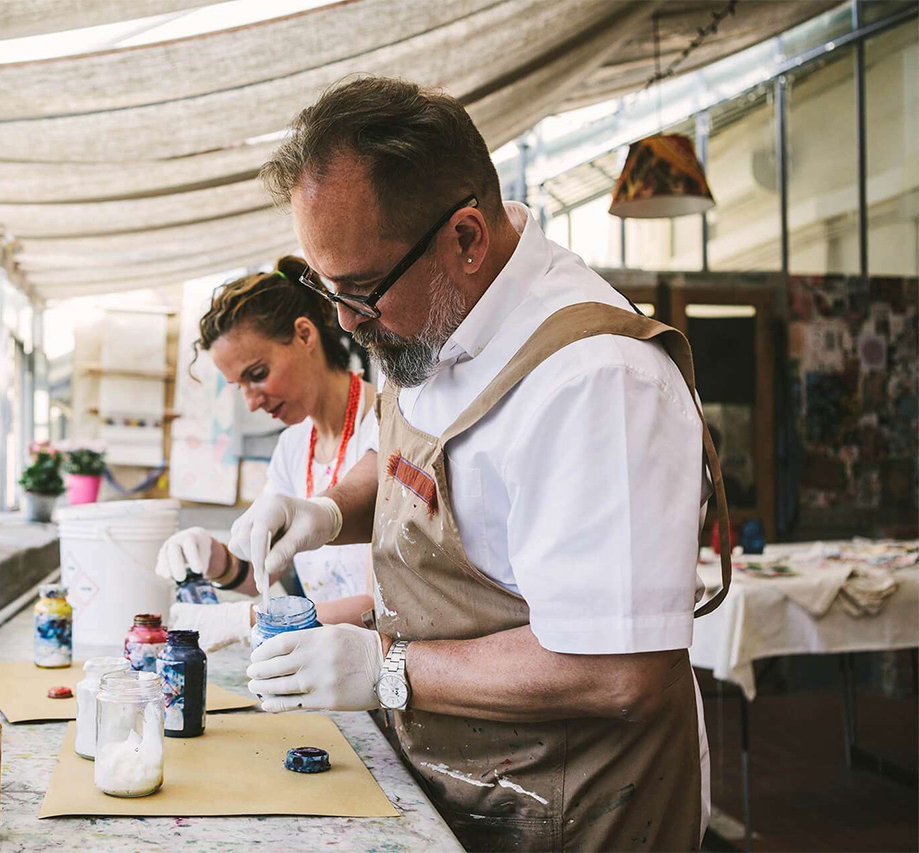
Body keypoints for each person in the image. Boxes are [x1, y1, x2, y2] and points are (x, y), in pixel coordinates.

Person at [231, 77, 731, 851]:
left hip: (577, 810)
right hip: (464, 784)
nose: (343, 323)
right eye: (324, 289)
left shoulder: (597, 381)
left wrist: (385, 667)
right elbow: (404, 451)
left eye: (359, 292)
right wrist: (325, 511)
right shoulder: (427, 313)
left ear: (465, 237)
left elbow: (619, 670)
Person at [155, 256, 378, 651]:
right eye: (239, 385)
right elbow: (266, 567)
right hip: (319, 668)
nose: (252, 402)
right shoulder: (294, 446)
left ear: (305, 335)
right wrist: (214, 559)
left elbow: (381, 607)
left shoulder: (385, 424)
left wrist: (250, 620)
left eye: (257, 375)